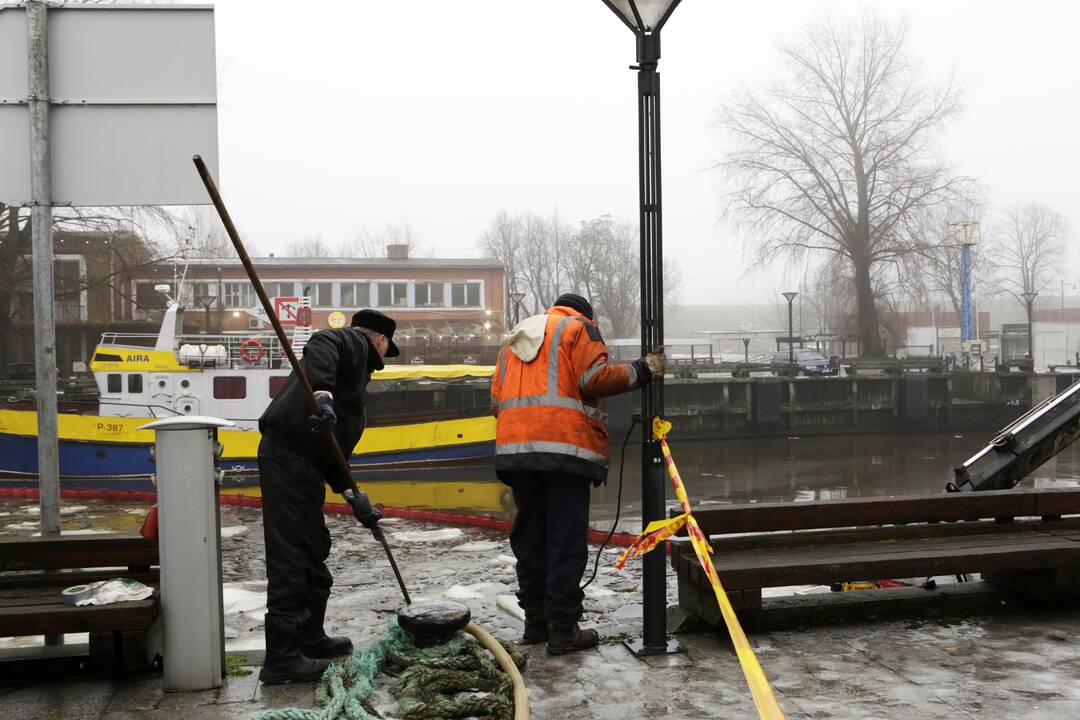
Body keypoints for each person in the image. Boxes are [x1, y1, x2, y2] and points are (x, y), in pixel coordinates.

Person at [490, 293, 665, 655]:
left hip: (517, 453)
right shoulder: (578, 328)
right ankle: (563, 630)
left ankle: (535, 623)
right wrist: (643, 369)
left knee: (531, 538)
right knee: (565, 540)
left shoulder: (516, 338)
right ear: (586, 314)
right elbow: (595, 379)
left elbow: (495, 401)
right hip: (564, 450)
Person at [256, 309, 398, 684]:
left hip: (307, 465)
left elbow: (333, 453)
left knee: (313, 546)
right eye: (386, 349)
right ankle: (282, 658)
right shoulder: (351, 342)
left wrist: (354, 497)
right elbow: (323, 341)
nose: (383, 358)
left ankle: (310, 637)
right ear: (379, 341)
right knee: (292, 553)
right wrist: (322, 395)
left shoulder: (355, 383)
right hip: (287, 457)